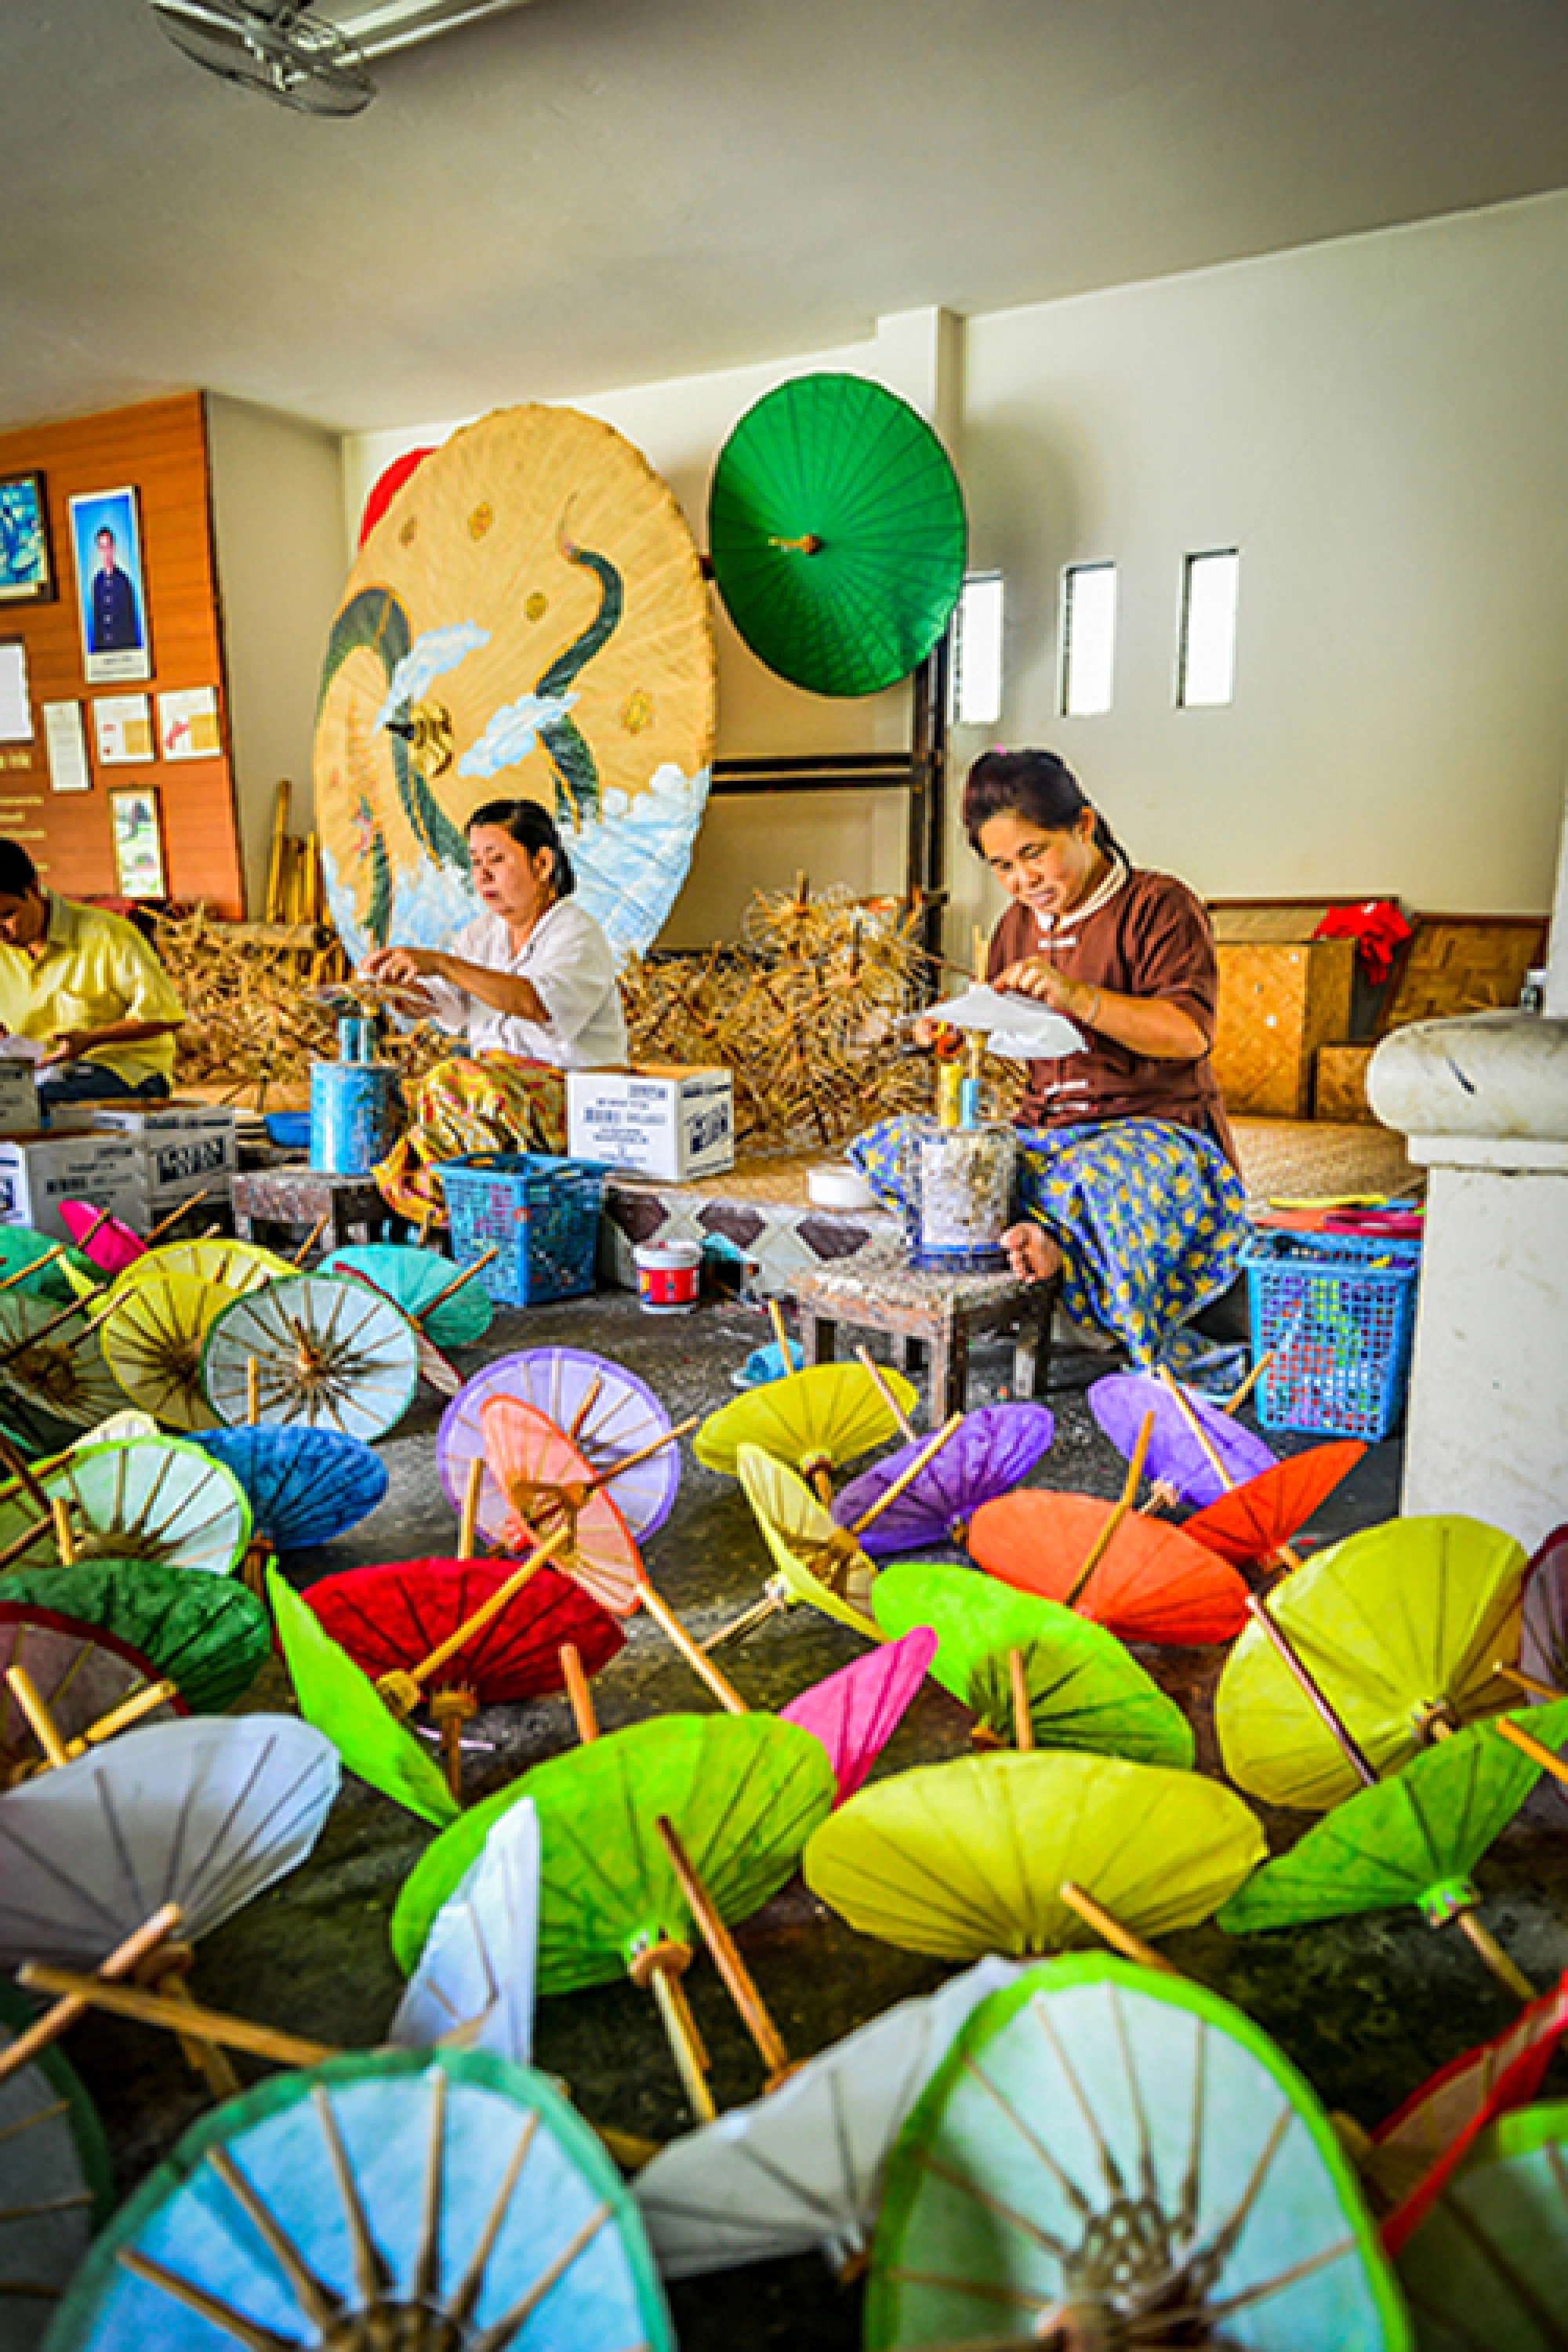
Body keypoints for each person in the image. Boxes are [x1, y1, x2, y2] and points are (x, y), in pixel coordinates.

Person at [851, 749, 1250, 1367]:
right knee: (903, 1145)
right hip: (1047, 1132)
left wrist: (1079, 998)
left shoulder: (1159, 905)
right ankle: (1028, 1243)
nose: (1022, 880)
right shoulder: (1015, 925)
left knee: (1086, 1181)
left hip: (1153, 1135)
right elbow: (1018, 1038)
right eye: (1002, 866)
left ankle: (1061, 1261)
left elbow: (1188, 1034)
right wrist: (964, 1036)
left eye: (1034, 853)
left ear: (1084, 826)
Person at [363, 797, 626, 1225]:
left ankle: (457, 1210)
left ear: (542, 864)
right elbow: (447, 1005)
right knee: (408, 1096)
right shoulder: (481, 935)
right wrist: (395, 990)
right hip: (493, 1093)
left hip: (568, 1096)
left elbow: (535, 1003)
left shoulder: (576, 931)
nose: (482, 876)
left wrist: (443, 964)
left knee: (455, 1080)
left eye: (497, 860)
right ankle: (448, 1212)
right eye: (475, 862)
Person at [0, 839, 184, 1105]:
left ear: (34, 889)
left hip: (120, 1071)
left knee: (27, 1103)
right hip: (35, 1073)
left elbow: (166, 1016)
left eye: (6, 915)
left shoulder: (109, 935)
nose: (2, 933)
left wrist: (90, 1039)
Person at [89, 526, 140, 655]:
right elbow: (97, 623)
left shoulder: (124, 581)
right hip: (103, 651)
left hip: (123, 650)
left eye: (108, 546)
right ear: (98, 550)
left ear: (113, 547)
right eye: (102, 547)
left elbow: (130, 624)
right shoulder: (96, 582)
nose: (105, 552)